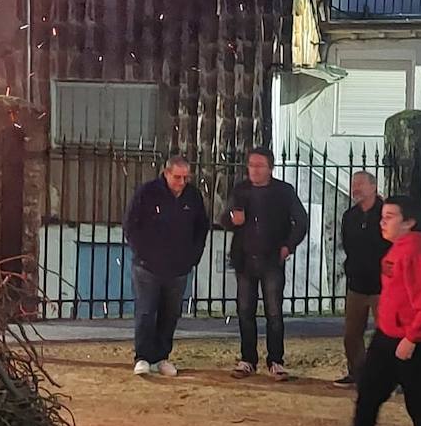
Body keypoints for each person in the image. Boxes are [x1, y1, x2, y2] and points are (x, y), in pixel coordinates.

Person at [324, 195, 421, 426]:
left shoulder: (418, 252)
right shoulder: (396, 249)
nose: (383, 221)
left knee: (418, 402)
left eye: (390, 216)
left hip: (414, 340)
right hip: (387, 336)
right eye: (383, 215)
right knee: (368, 394)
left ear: (409, 222)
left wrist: (412, 337)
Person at [223, 146, 309, 381]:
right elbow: (223, 217)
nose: (254, 170)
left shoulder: (283, 191)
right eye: (251, 165)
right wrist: (233, 219)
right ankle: (248, 359)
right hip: (245, 260)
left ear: (270, 168)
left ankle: (276, 360)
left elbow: (300, 221)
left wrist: (288, 246)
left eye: (259, 166)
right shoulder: (240, 190)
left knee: (273, 312)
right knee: (244, 311)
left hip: (272, 260)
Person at [123, 156, 210, 378]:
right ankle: (142, 356)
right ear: (166, 173)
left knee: (170, 314)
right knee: (145, 311)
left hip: (178, 267)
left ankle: (161, 356)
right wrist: (143, 253)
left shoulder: (193, 196)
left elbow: (201, 228)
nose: (182, 182)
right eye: (178, 177)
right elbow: (131, 224)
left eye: (185, 177)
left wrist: (192, 257)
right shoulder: (148, 192)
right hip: (147, 266)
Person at [335, 171, 391, 388]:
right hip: (357, 284)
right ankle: (358, 373)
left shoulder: (385, 213)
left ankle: (387, 376)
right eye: (353, 184)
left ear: (373, 187)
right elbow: (348, 245)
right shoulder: (349, 216)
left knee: (386, 333)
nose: (355, 189)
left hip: (382, 285)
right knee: (351, 334)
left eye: (360, 184)